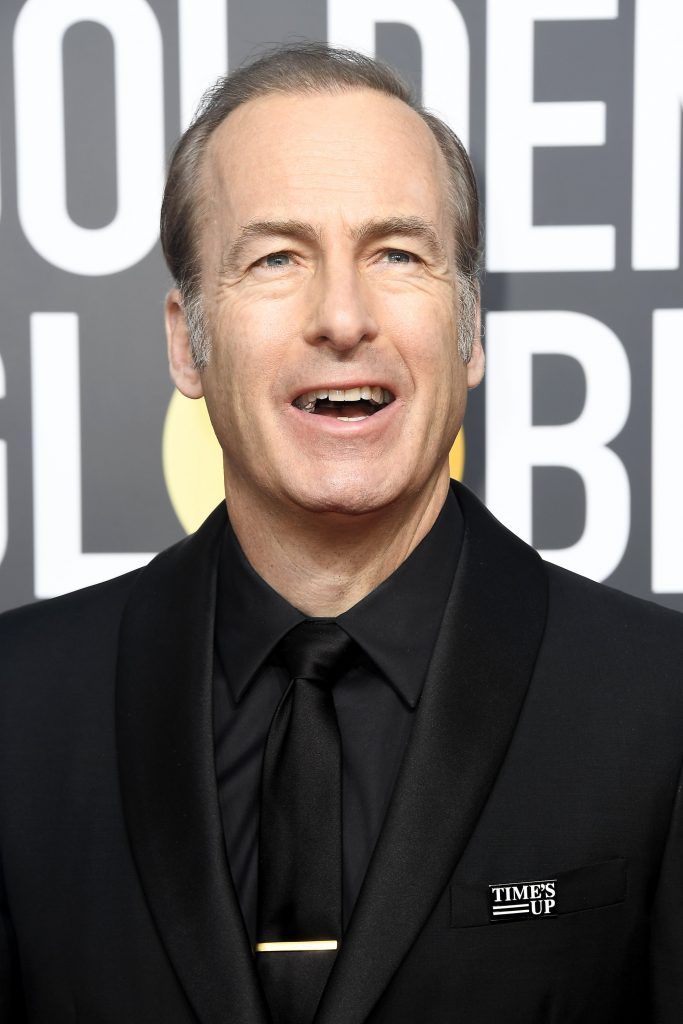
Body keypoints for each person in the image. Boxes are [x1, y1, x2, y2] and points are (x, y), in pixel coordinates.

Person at [1, 42, 682, 1024]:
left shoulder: (658, 704)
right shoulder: (17, 707)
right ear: (184, 341)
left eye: (396, 253)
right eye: (276, 257)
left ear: (470, 328)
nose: (342, 316)